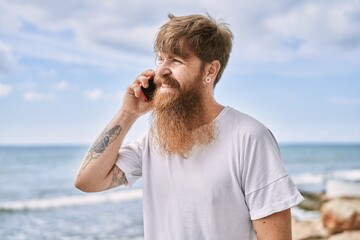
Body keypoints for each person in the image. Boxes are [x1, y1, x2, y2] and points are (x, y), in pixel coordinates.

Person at [75, 13, 303, 240]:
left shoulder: (250, 137)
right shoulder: (154, 140)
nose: (161, 71)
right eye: (160, 59)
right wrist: (128, 113)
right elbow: (87, 181)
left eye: (175, 60)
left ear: (210, 71)